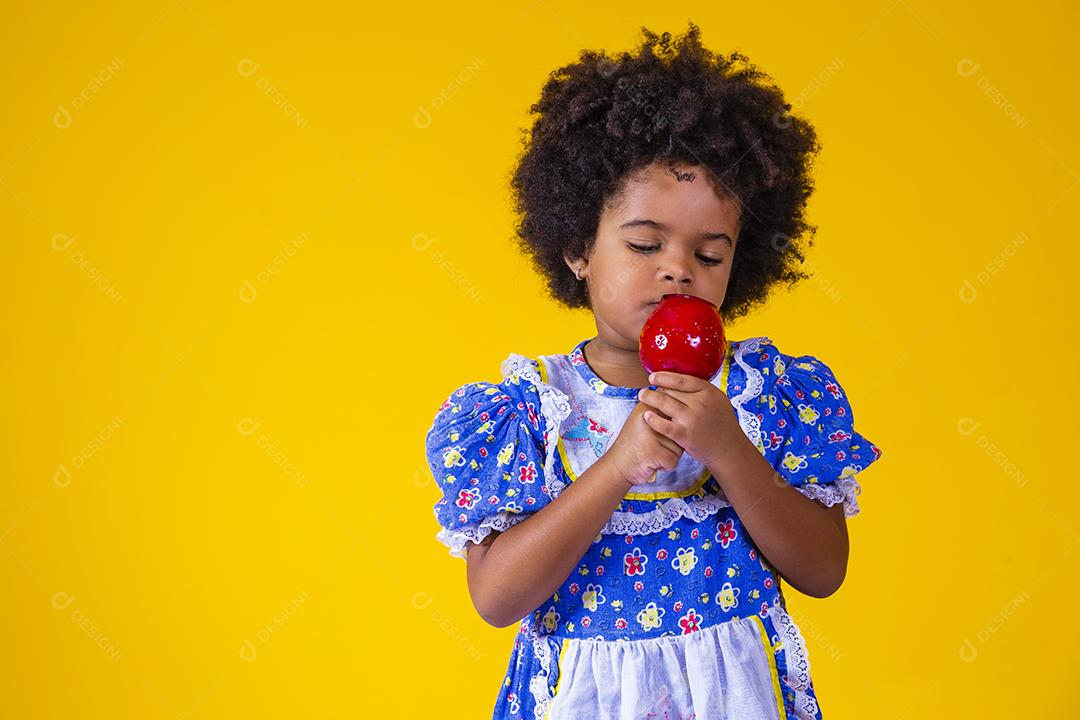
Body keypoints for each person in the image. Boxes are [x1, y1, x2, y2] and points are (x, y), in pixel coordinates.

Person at [424, 22, 883, 720]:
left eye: (710, 255)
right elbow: (496, 598)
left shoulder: (766, 398)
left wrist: (731, 449)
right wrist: (616, 467)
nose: (677, 269)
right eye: (645, 243)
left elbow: (824, 571)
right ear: (579, 248)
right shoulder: (527, 412)